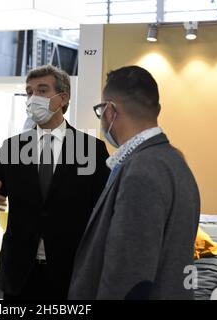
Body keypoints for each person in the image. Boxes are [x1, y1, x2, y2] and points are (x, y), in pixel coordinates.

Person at [0, 65, 110, 300]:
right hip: (19, 274)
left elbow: (105, 212)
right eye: (29, 91)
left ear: (63, 98)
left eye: (42, 91)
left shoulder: (91, 150)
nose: (33, 98)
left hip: (70, 273)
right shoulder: (13, 147)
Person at [68, 66, 200, 300]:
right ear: (155, 109)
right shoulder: (175, 163)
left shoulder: (141, 170)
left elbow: (127, 275)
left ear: (110, 111)